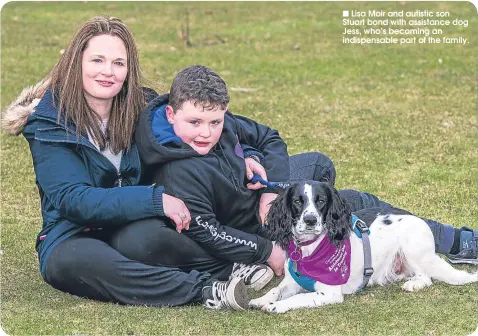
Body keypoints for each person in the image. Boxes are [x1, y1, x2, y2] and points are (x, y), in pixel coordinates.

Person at [2, 16, 270, 310]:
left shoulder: (143, 106)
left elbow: (206, 126)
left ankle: (234, 263)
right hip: (73, 232)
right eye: (97, 60)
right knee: (67, 264)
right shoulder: (48, 122)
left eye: (119, 63)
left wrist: (246, 154)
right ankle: (207, 289)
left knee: (146, 241)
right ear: (76, 63)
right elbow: (72, 200)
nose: (108, 72)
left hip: (135, 225)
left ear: (129, 69)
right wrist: (155, 200)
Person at [133, 65, 477, 285]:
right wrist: (266, 250)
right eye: (194, 123)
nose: (206, 132)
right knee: (357, 203)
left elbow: (268, 137)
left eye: (215, 122)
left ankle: (321, 219)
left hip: (263, 199)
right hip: (255, 224)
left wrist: (273, 188)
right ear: (170, 113)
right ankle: (457, 242)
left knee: (318, 164)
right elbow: (209, 231)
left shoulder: (207, 113)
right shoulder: (176, 171)